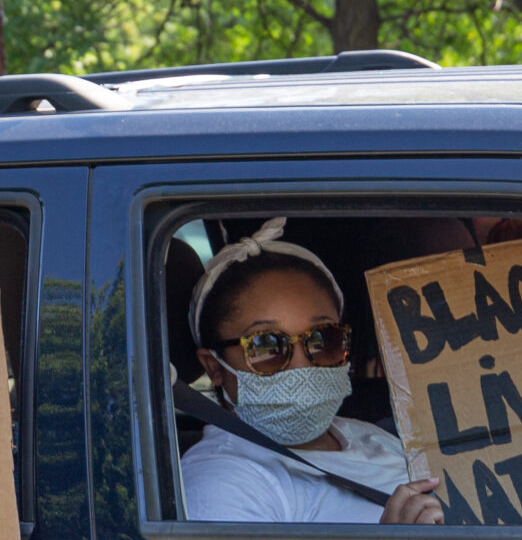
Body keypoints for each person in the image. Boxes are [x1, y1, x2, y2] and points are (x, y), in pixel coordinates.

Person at [176, 219, 444, 524]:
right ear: (214, 367)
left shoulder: (377, 437)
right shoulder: (221, 481)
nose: (302, 364)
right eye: (266, 345)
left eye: (323, 338)